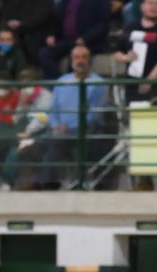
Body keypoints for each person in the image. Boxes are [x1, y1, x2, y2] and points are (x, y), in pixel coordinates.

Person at [36, 43, 107, 189]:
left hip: (84, 129)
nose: (80, 61)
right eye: (76, 57)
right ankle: (47, 183)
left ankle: (44, 185)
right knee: (37, 145)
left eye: (84, 57)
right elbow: (53, 109)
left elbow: (94, 114)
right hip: (58, 130)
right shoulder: (62, 81)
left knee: (56, 143)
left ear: (89, 60)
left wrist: (69, 127)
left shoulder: (98, 83)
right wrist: (55, 125)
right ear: (71, 60)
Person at [112, 0, 157, 102]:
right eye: (150, 3)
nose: (154, 7)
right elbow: (116, 52)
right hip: (132, 85)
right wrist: (125, 57)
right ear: (141, 6)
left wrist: (149, 81)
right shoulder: (130, 27)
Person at [39, 0, 111, 80]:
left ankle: (72, 88)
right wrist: (51, 35)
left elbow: (103, 25)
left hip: (88, 42)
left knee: (76, 57)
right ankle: (57, 86)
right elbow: (56, 19)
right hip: (65, 41)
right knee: (45, 53)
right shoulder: (65, 2)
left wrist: (85, 38)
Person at [0, 0, 54, 67]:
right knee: (5, 39)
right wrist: (8, 23)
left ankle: (34, 70)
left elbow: (44, 16)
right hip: (14, 30)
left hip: (37, 31)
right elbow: (5, 14)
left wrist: (23, 24)